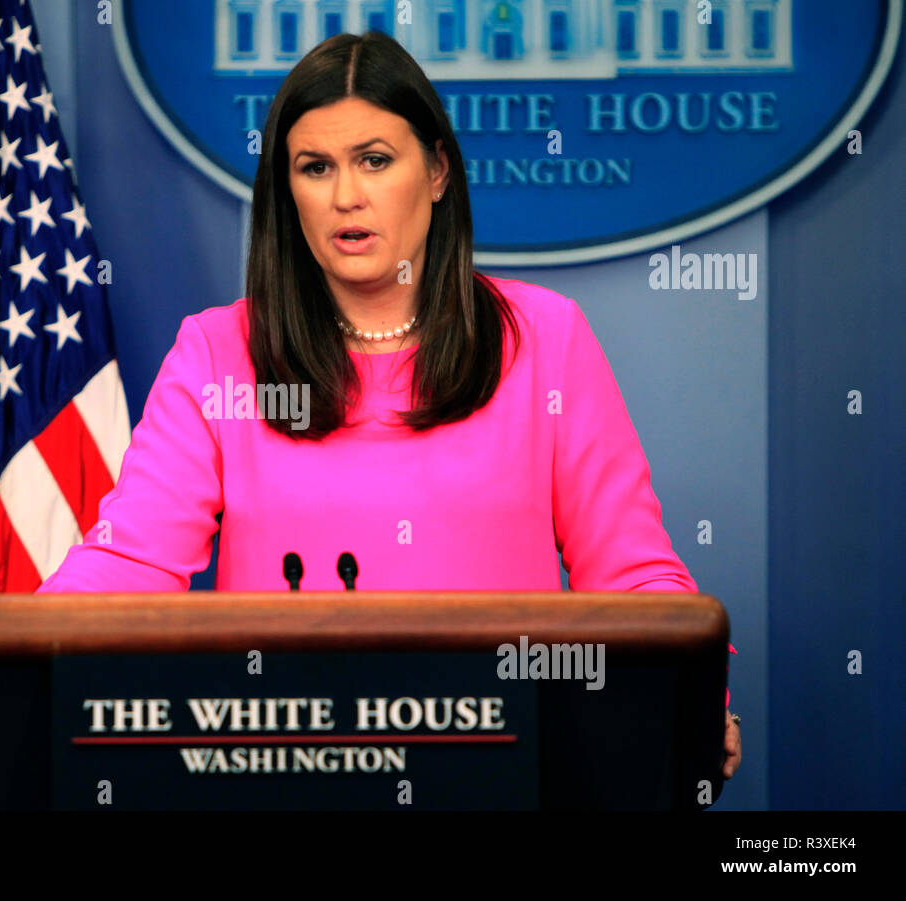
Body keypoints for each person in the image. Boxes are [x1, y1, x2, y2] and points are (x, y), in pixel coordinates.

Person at [36, 31, 740, 779]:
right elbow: (129, 562)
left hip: (504, 766)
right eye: (315, 167)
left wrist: (702, 691)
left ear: (436, 171)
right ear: (288, 191)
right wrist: (18, 668)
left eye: (375, 160)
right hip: (284, 774)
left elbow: (633, 577)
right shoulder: (218, 353)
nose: (346, 196)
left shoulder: (545, 339)